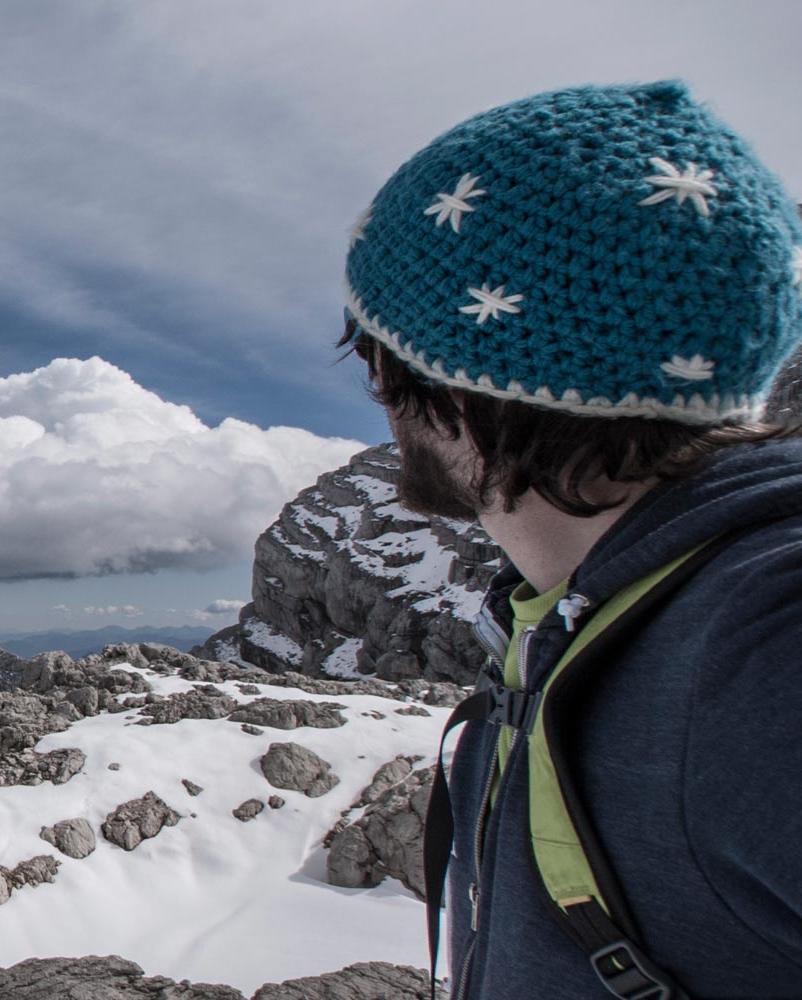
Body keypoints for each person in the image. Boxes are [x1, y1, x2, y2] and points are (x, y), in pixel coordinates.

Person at [339, 80, 802, 997]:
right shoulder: (605, 610)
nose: (375, 394)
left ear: (446, 384)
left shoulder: (763, 643)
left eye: (372, 351)